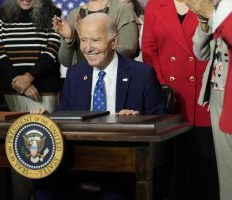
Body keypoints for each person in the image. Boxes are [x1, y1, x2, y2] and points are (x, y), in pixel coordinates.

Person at [32, 13, 165, 200]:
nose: (87, 48)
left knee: (114, 192)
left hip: (122, 162)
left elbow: (160, 121)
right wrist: (48, 118)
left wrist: (138, 119)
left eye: (95, 40)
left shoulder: (142, 74)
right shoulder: (75, 74)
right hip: (77, 159)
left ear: (114, 40)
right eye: (84, 40)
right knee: (42, 178)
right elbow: (65, 114)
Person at [142, 0, 218, 199]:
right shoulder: (154, 5)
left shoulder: (209, 3)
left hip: (205, 102)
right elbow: (149, 52)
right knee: (174, 174)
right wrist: (164, 88)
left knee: (205, 173)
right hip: (170, 104)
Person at [185, 0, 232, 199]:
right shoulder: (221, 7)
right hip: (217, 92)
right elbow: (201, 52)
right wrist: (204, 20)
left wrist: (213, 17)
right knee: (226, 168)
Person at [0, 0, 61, 113]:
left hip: (42, 93)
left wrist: (29, 77)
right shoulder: (2, 13)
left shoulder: (53, 12)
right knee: (11, 131)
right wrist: (21, 83)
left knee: (42, 130)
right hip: (10, 92)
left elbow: (52, 50)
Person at [52, 0, 139, 68]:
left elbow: (128, 51)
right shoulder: (74, 15)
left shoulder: (123, 11)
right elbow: (66, 62)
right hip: (82, 80)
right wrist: (68, 39)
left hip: (115, 77)